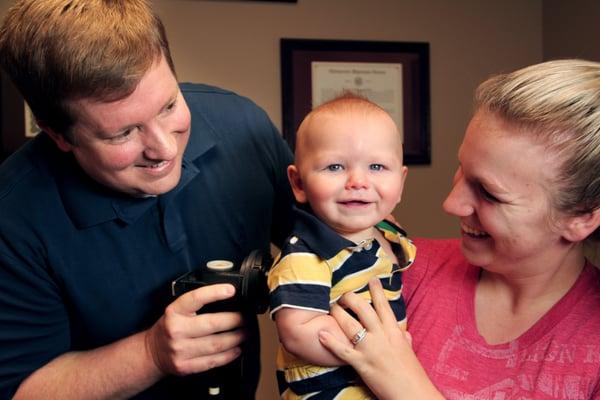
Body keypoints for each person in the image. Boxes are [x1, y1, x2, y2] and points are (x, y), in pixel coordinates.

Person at [0, 1, 294, 399]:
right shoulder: (13, 216)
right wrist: (150, 354)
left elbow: (338, 239)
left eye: (169, 105)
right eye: (123, 133)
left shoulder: (241, 127)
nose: (163, 148)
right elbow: (21, 391)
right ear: (59, 136)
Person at [318, 59, 600, 399]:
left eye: (489, 193)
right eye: (461, 169)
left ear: (582, 218)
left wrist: (404, 385)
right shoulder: (399, 266)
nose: (451, 204)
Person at [267, 94, 416, 399]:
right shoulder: (305, 256)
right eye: (335, 167)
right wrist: (375, 350)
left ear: (400, 184)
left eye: (376, 166)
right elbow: (297, 332)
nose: (358, 181)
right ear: (298, 184)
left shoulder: (388, 235)